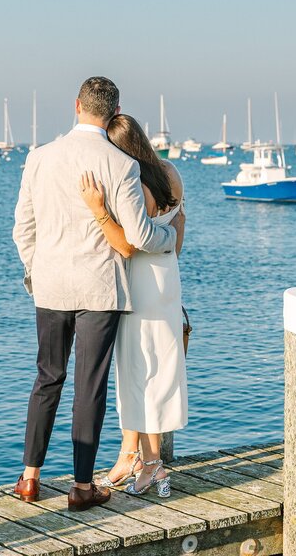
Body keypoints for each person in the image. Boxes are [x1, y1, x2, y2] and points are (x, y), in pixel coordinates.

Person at [11, 77, 182, 511]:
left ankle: (29, 479)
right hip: (100, 288)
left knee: (47, 377)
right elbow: (140, 235)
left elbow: (22, 230)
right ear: (114, 111)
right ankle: (82, 487)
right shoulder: (119, 163)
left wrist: (36, 271)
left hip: (49, 285)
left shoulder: (39, 157)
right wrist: (171, 235)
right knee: (89, 386)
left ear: (76, 105)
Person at [77, 114, 188, 497]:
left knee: (137, 368)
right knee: (158, 368)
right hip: (167, 278)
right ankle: (141, 457)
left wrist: (98, 210)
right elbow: (178, 232)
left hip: (139, 281)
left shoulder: (133, 184)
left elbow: (128, 243)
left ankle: (145, 460)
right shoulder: (171, 173)